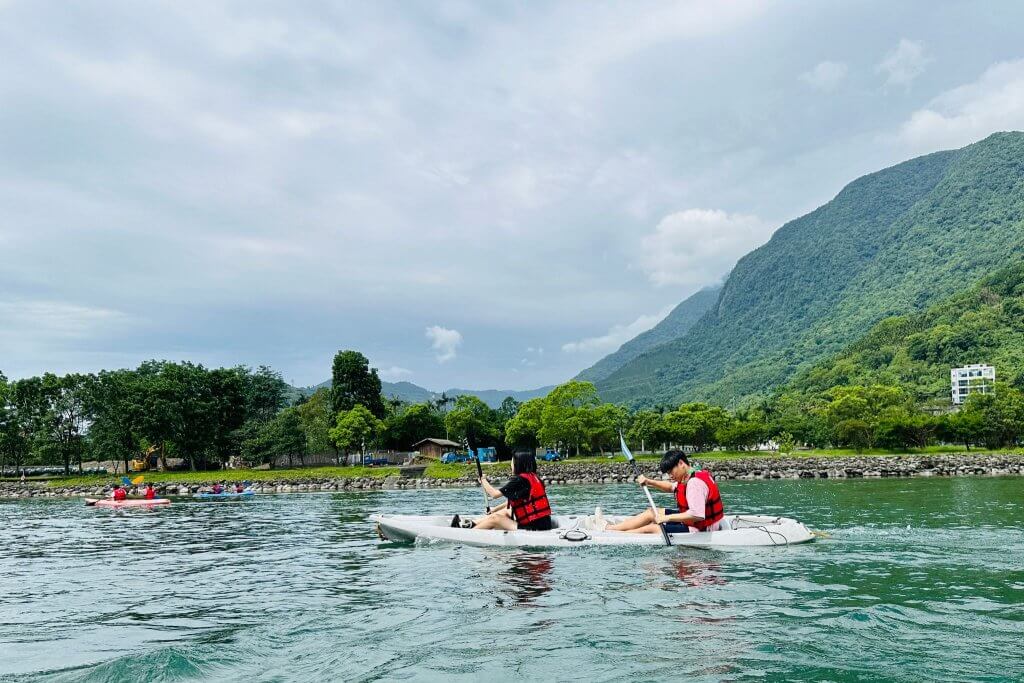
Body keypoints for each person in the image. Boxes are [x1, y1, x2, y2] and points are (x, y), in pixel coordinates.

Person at [608, 450, 725, 534]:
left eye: (670, 472)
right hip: (695, 522)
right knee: (651, 513)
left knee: (652, 528)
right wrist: (648, 481)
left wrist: (667, 518)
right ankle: (611, 529)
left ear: (681, 463)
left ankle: (615, 535)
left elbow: (697, 515)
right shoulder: (690, 474)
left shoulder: (694, 483)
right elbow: (671, 487)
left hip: (703, 528)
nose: (670, 476)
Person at [452, 452, 552, 531]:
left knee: (495, 518)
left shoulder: (520, 480)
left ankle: (469, 533)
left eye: (512, 462)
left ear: (519, 464)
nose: (511, 465)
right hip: (544, 523)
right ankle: (471, 523)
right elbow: (514, 503)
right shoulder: (534, 478)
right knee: (506, 512)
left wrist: (483, 481)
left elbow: (494, 494)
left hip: (534, 528)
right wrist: (495, 509)